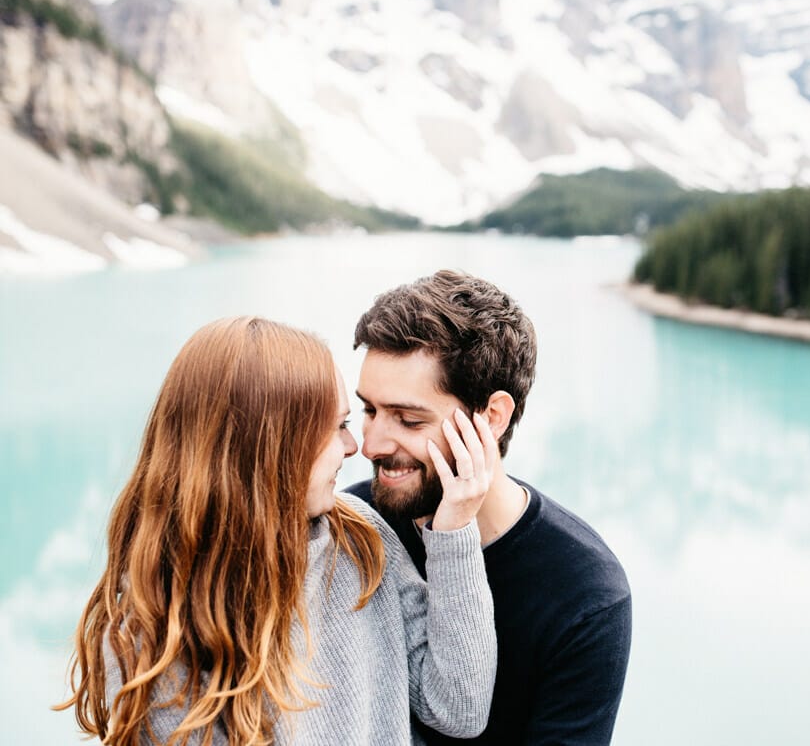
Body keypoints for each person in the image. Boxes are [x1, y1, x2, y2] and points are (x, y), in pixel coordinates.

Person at [56, 316, 498, 745]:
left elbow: (458, 709)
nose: (354, 447)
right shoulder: (153, 634)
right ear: (269, 448)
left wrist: (454, 532)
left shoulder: (362, 538)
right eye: (338, 426)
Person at [346, 270, 632, 745]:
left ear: (492, 417)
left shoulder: (585, 595)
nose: (370, 444)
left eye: (409, 419)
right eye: (370, 411)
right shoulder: (353, 527)